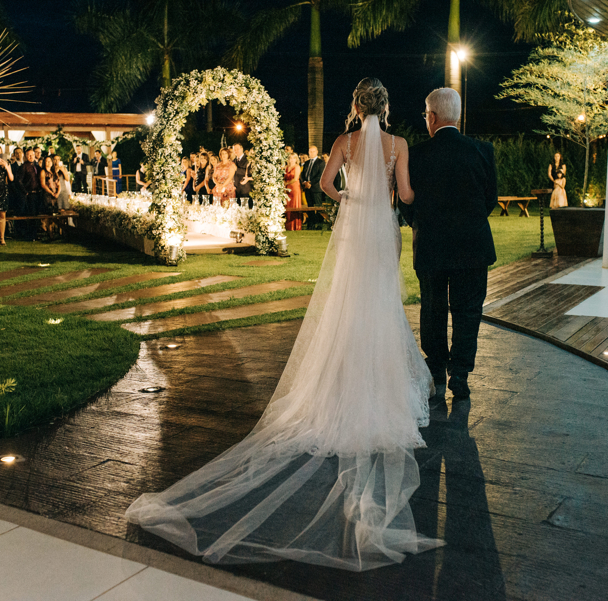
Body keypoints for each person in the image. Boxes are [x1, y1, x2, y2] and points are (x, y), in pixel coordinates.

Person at [128, 77, 443, 571]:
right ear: (387, 106)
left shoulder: (344, 141)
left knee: (348, 302)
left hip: (355, 226)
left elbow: (322, 184)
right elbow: (404, 192)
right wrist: (393, 193)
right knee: (381, 302)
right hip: (383, 230)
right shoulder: (399, 144)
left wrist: (346, 199)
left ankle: (340, 383)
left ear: (356, 106)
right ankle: (379, 385)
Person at [399, 88, 497, 401]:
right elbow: (490, 199)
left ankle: (437, 368)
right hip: (473, 246)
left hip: (431, 245)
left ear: (432, 117)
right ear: (456, 115)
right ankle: (461, 374)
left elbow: (406, 202)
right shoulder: (482, 150)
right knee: (469, 310)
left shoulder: (416, 153)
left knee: (433, 309)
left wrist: (421, 223)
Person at [16, 148, 41, 241]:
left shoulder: (36, 166)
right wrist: (25, 191)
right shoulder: (24, 167)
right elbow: (18, 181)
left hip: (36, 193)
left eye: (32, 155)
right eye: (29, 155)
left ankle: (35, 234)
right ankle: (29, 235)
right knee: (30, 215)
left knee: (35, 215)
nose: (31, 157)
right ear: (26, 156)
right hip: (29, 194)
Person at [300, 145, 325, 228]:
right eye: (310, 151)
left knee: (318, 206)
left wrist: (310, 183)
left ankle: (319, 223)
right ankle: (311, 223)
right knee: (309, 206)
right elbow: (303, 174)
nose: (312, 153)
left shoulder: (321, 162)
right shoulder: (306, 163)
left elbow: (320, 175)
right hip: (307, 188)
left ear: (317, 152)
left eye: (313, 151)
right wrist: (304, 182)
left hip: (316, 188)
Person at [39, 155, 59, 239]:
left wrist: (57, 192)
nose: (48, 163)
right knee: (48, 213)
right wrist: (51, 192)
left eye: (49, 161)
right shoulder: (43, 172)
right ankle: (49, 232)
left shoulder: (53, 172)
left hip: (54, 195)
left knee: (54, 213)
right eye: (46, 161)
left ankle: (52, 230)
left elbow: (58, 183)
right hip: (47, 194)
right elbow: (43, 184)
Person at [284, 152, 302, 230]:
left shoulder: (297, 167)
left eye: (293, 158)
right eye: (290, 158)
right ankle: (288, 225)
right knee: (288, 205)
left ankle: (295, 226)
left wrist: (287, 183)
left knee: (294, 205)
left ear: (296, 159)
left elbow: (295, 178)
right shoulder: (286, 167)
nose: (291, 160)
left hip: (294, 187)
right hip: (287, 188)